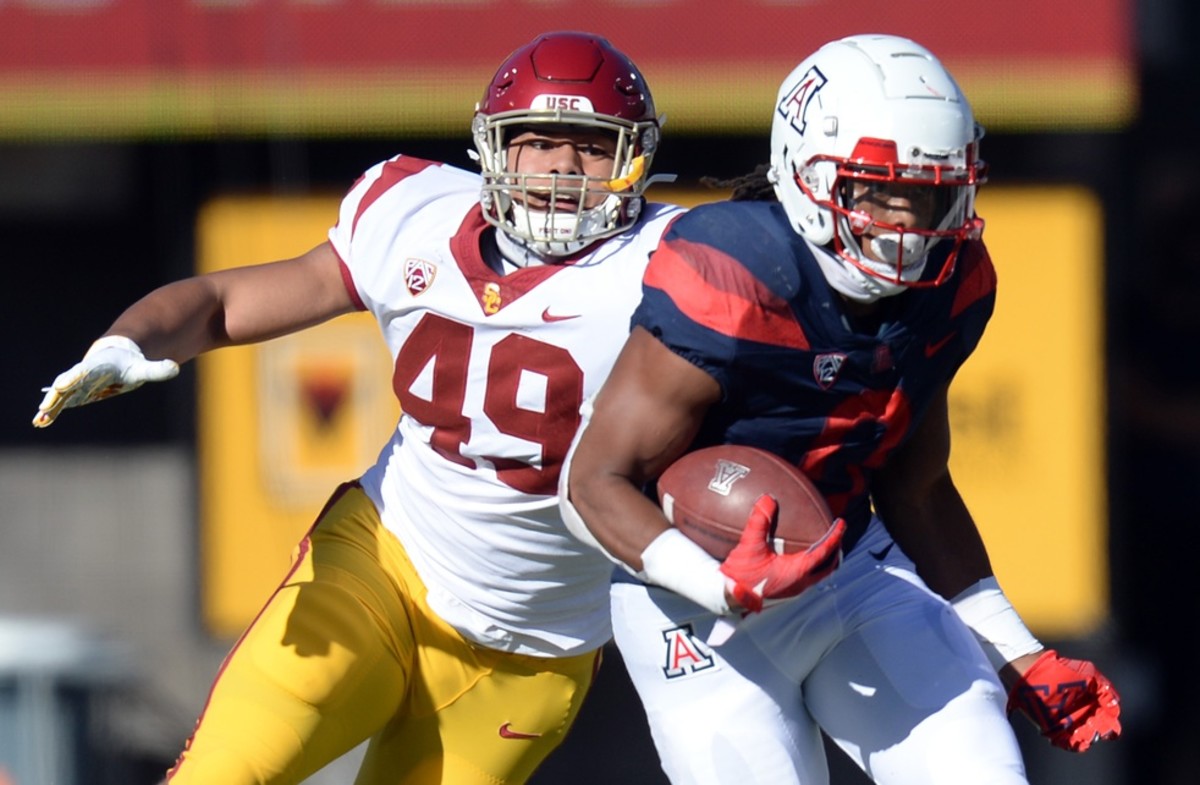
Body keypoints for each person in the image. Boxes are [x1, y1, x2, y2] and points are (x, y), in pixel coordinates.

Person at [32, 31, 684, 785]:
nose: (562, 170)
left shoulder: (674, 267)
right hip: (382, 570)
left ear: (636, 156)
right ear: (493, 147)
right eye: (538, 142)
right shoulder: (413, 215)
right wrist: (128, 339)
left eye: (592, 147)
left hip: (533, 651)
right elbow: (223, 301)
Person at [562, 33, 1121, 785]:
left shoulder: (952, 283)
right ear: (804, 175)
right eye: (879, 190)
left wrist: (1021, 651)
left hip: (847, 563)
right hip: (690, 604)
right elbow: (591, 482)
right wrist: (719, 582)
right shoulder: (734, 273)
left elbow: (915, 485)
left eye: (928, 193)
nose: (905, 224)